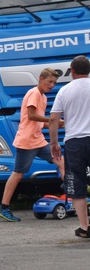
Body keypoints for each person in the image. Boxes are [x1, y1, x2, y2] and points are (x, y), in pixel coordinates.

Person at [0, 68, 65, 222]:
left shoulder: (43, 97)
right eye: (50, 82)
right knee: (18, 173)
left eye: (54, 83)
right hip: (27, 141)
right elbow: (32, 115)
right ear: (41, 78)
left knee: (61, 161)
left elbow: (39, 122)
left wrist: (56, 125)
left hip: (38, 139)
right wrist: (52, 121)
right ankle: (3, 207)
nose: (52, 85)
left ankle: (71, 195)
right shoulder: (33, 93)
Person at [49, 55, 90, 238]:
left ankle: (85, 227)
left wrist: (54, 143)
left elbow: (53, 119)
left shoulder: (64, 91)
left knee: (77, 183)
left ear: (72, 70)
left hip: (74, 142)